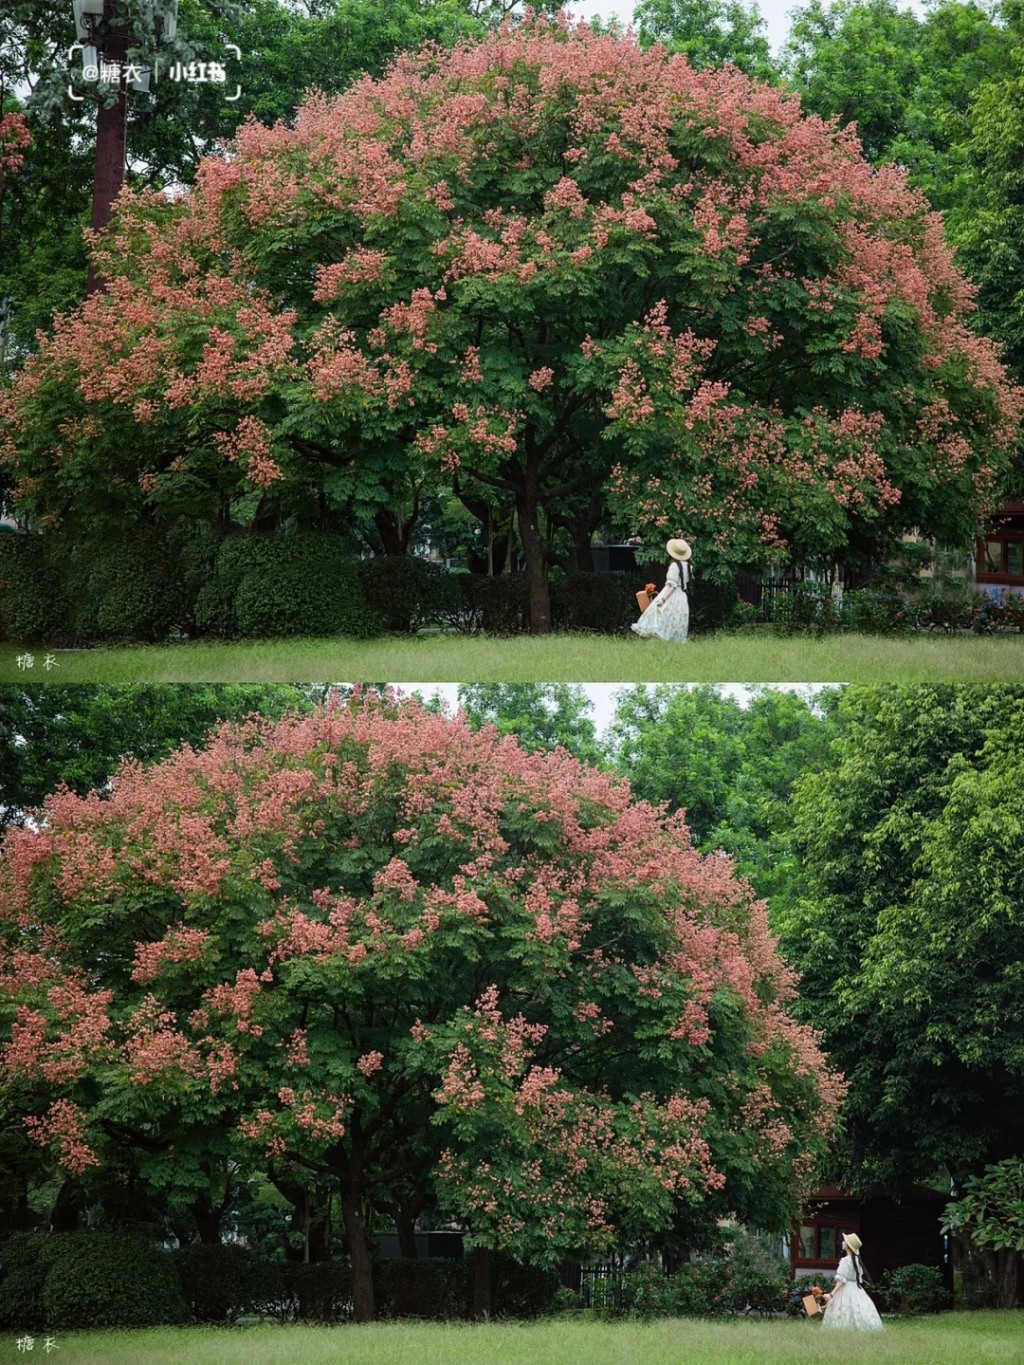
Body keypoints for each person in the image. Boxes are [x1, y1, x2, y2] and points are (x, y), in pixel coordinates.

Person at [631, 538, 691, 641]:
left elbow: (672, 586)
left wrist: (663, 599)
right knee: (677, 618)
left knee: (659, 614)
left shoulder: (674, 566)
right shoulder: (689, 566)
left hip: (671, 595)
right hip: (682, 596)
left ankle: (663, 639)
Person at [821, 1234, 883, 1331]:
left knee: (843, 1309)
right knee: (858, 1308)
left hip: (846, 1289)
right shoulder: (857, 1260)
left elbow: (841, 1280)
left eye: (844, 1241)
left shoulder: (845, 1261)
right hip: (856, 1288)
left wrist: (831, 1294)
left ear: (848, 1245)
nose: (842, 1242)